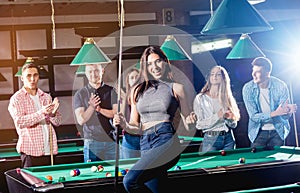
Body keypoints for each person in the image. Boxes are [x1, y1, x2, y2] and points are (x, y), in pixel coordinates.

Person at [113, 45, 196, 193]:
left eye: (158, 61)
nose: (155, 67)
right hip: (145, 143)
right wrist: (124, 124)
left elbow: (188, 124)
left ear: (165, 61)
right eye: (149, 64)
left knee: (130, 180)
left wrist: (191, 122)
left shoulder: (176, 88)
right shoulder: (136, 91)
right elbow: (135, 126)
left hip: (166, 140)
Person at [8, 62, 61, 168]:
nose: (32, 79)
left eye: (35, 75)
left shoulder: (46, 97)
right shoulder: (17, 98)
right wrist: (42, 112)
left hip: (49, 151)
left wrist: (53, 113)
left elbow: (58, 122)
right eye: (28, 76)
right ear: (22, 78)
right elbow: (20, 122)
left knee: (52, 184)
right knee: (33, 184)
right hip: (30, 152)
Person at [242, 57, 297, 148]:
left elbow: (284, 115)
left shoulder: (280, 86)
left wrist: (287, 111)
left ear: (267, 73)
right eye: (253, 71)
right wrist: (275, 113)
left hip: (278, 131)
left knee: (277, 162)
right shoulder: (248, 88)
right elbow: (253, 116)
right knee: (256, 162)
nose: (253, 75)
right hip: (257, 132)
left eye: (258, 72)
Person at [73, 63, 118, 162]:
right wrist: (92, 106)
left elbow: (115, 113)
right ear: (86, 73)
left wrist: (99, 109)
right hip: (91, 142)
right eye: (90, 71)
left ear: (102, 71)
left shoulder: (112, 91)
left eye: (96, 70)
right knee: (93, 175)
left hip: (111, 140)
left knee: (113, 175)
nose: (94, 74)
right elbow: (81, 120)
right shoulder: (80, 94)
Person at [193, 65, 240, 152]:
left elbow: (234, 125)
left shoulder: (227, 97)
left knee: (230, 165)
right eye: (212, 74)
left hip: (228, 138)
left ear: (223, 78)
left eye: (218, 74)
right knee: (211, 166)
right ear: (209, 77)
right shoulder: (200, 98)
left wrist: (230, 119)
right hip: (211, 139)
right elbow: (199, 125)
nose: (214, 76)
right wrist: (217, 116)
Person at [121, 68, 141, 159]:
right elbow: (121, 115)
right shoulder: (125, 98)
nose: (135, 79)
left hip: (144, 137)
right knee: (128, 168)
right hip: (129, 137)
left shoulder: (146, 94)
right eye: (132, 78)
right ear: (128, 82)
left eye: (137, 77)